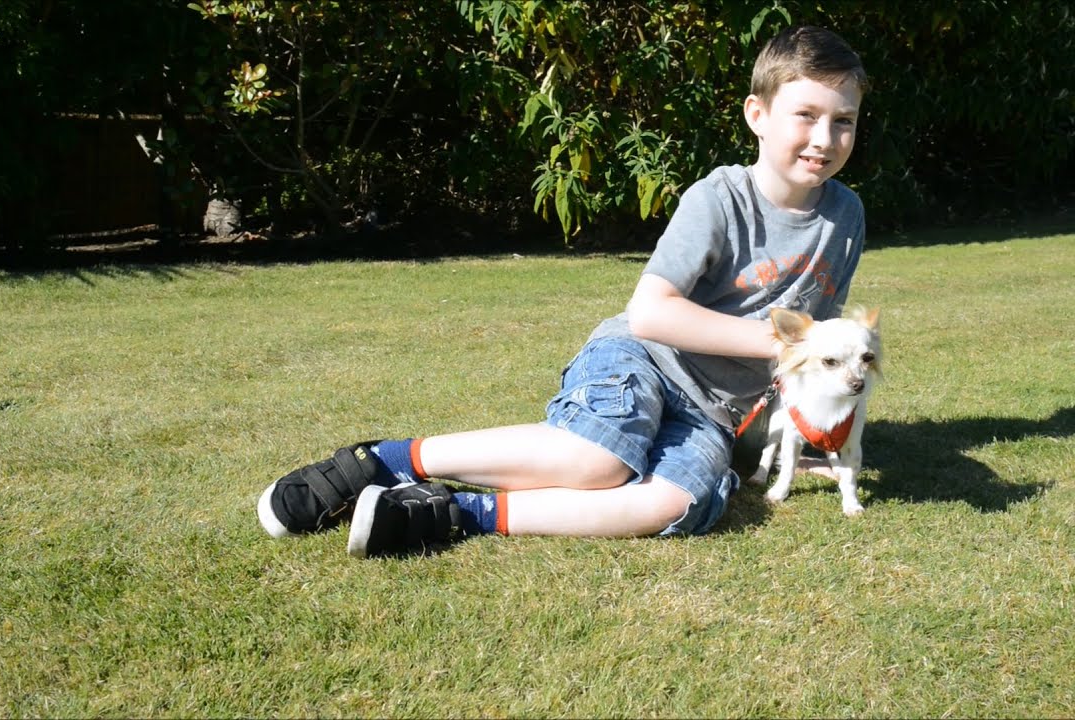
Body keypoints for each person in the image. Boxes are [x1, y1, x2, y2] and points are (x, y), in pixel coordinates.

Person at [257, 25, 870, 558]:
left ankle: (448, 514)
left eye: (843, 121)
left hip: (715, 413)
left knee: (676, 503)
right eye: (807, 116)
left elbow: (820, 338)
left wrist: (801, 417)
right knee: (601, 462)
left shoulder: (847, 217)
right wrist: (782, 344)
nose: (825, 137)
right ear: (757, 115)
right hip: (643, 360)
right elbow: (652, 313)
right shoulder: (719, 199)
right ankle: (383, 460)